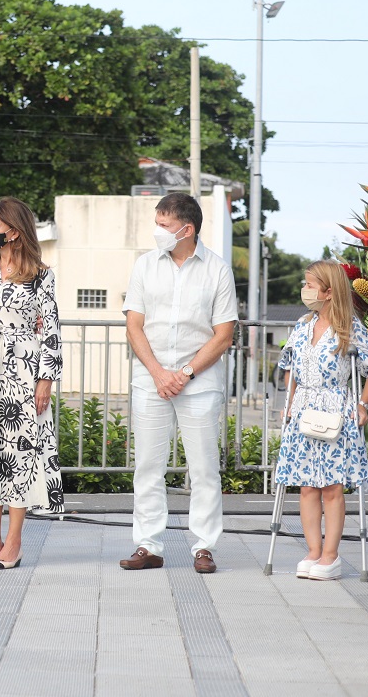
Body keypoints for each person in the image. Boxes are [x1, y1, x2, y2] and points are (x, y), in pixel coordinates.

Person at [120, 192, 236, 574]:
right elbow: (134, 325)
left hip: (199, 384)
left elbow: (223, 334)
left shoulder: (217, 269)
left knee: (203, 468)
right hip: (150, 380)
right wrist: (158, 372)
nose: (158, 231)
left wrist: (184, 374)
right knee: (148, 466)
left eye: (164, 225)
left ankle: (204, 547)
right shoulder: (144, 266)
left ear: (187, 229)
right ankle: (148, 546)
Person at [0, 197, 63, 570]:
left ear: (15, 232)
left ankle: (15, 540)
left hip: (23, 370)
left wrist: (46, 379)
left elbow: (51, 331)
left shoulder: (41, 275)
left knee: (19, 452)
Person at [275, 260, 368, 580]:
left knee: (331, 488)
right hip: (305, 408)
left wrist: (362, 405)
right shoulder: (302, 325)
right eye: (305, 283)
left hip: (336, 408)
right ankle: (312, 551)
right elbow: (289, 366)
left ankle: (330, 555)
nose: (305, 290)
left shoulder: (349, 328)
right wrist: (291, 401)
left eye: (310, 285)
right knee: (307, 486)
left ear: (328, 291)